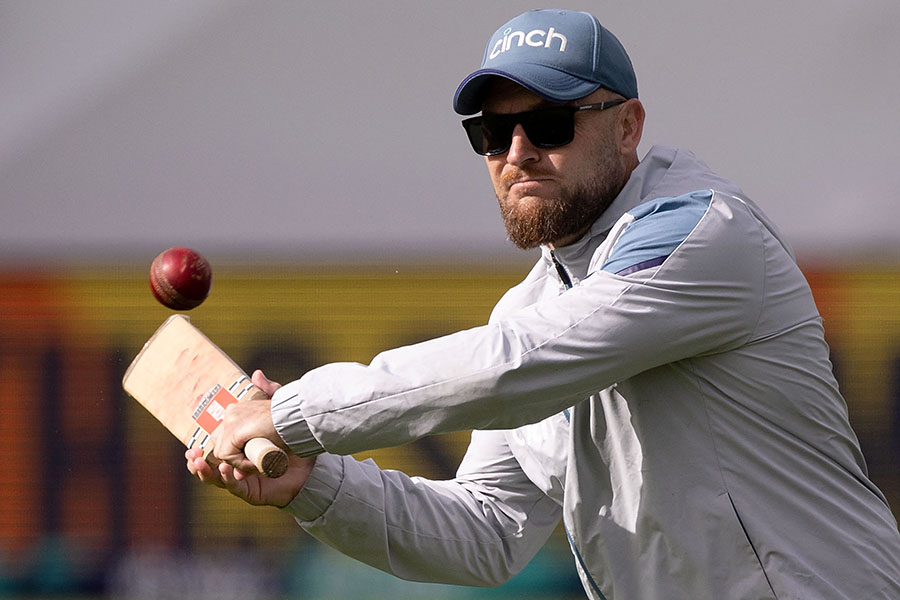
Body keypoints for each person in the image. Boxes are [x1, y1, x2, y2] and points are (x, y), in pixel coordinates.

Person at [187, 9, 900, 599]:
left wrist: (291, 415)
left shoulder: (700, 233)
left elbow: (509, 370)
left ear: (628, 127)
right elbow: (485, 533)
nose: (518, 152)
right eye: (492, 134)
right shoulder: (536, 303)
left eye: (550, 123)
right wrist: (316, 484)